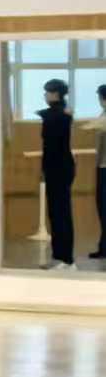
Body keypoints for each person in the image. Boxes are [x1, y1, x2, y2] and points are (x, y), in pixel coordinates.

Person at [40, 78, 76, 270]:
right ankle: (59, 256)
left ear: (55, 94)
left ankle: (66, 259)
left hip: (60, 169)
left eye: (47, 92)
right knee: (56, 214)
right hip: (56, 168)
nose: (45, 95)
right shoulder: (59, 113)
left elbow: (53, 145)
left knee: (61, 214)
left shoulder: (59, 115)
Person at [91, 83, 106, 262]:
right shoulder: (102, 116)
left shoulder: (103, 118)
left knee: (103, 208)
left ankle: (104, 248)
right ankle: (103, 246)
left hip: (104, 167)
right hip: (102, 166)